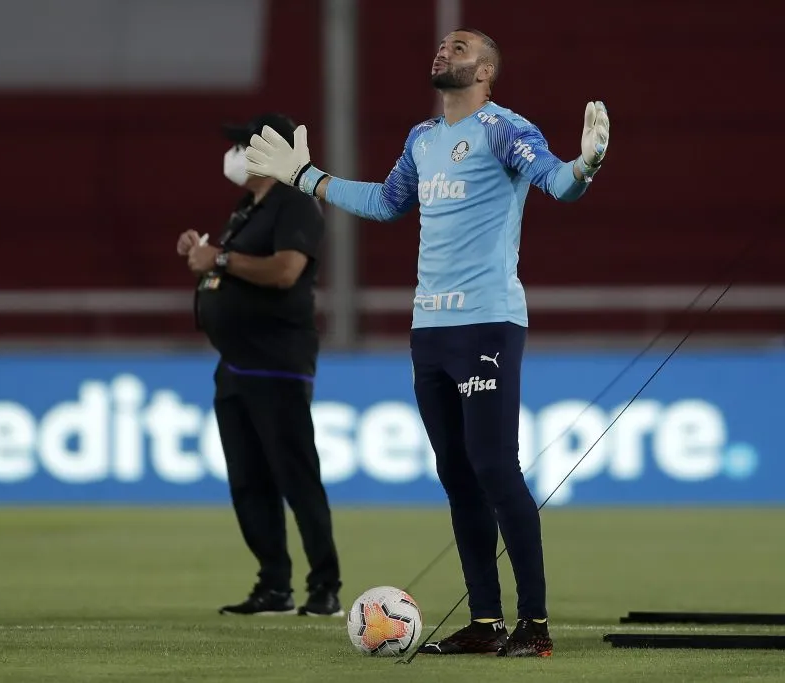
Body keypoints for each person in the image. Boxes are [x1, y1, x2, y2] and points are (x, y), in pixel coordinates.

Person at [242, 29, 610, 656]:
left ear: (487, 68)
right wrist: (305, 176)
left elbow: (557, 184)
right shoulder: (422, 138)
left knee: (496, 467)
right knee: (458, 476)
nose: (445, 52)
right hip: (430, 331)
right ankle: (487, 624)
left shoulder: (503, 129)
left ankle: (536, 626)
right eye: (442, 46)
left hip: (487, 322)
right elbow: (387, 204)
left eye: (460, 48)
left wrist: (586, 166)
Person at [176, 112, 344, 618]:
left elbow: (285, 271)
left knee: (295, 476)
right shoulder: (249, 206)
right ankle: (274, 586)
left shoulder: (294, 203)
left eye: (241, 145)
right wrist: (206, 255)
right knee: (248, 481)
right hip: (236, 364)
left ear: (267, 151)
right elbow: (228, 268)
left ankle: (325, 587)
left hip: (277, 363)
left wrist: (220, 261)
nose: (231, 155)